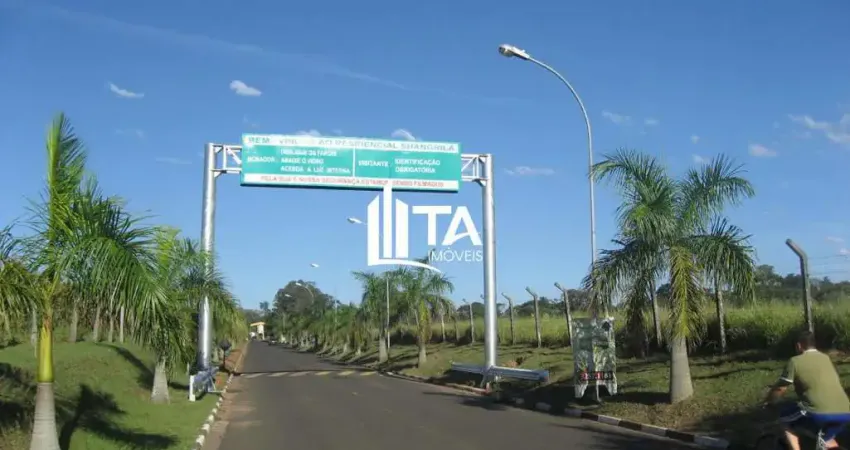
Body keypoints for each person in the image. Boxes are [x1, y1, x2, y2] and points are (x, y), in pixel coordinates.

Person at [763, 330, 850, 450]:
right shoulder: (825, 358)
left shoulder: (795, 361)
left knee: (784, 418)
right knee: (826, 439)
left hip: (818, 411)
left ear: (799, 346)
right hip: (845, 410)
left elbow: (780, 388)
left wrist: (769, 401)